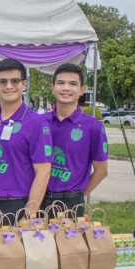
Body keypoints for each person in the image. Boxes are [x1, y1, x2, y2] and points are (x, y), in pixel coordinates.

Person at [0, 59, 52, 231]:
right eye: (3, 81)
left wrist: (29, 216)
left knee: (14, 258)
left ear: (24, 84)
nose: (8, 86)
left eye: (15, 81)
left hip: (18, 207)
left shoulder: (36, 123)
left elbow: (43, 172)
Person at [43, 63, 108, 215]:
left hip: (71, 203)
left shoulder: (93, 127)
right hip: (36, 200)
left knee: (70, 240)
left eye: (73, 84)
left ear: (82, 90)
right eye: (61, 83)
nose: (66, 88)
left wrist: (78, 196)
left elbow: (101, 170)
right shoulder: (38, 122)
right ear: (53, 88)